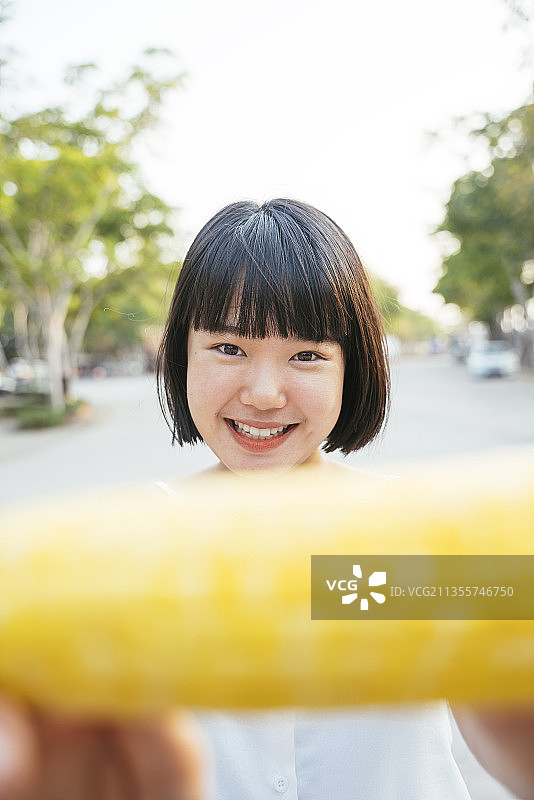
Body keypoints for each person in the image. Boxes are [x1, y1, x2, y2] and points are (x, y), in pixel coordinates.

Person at [0, 198, 533, 799]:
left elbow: (503, 690)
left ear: (350, 368)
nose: (263, 394)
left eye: (306, 355)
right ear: (180, 355)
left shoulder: (419, 536)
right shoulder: (124, 532)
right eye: (229, 349)